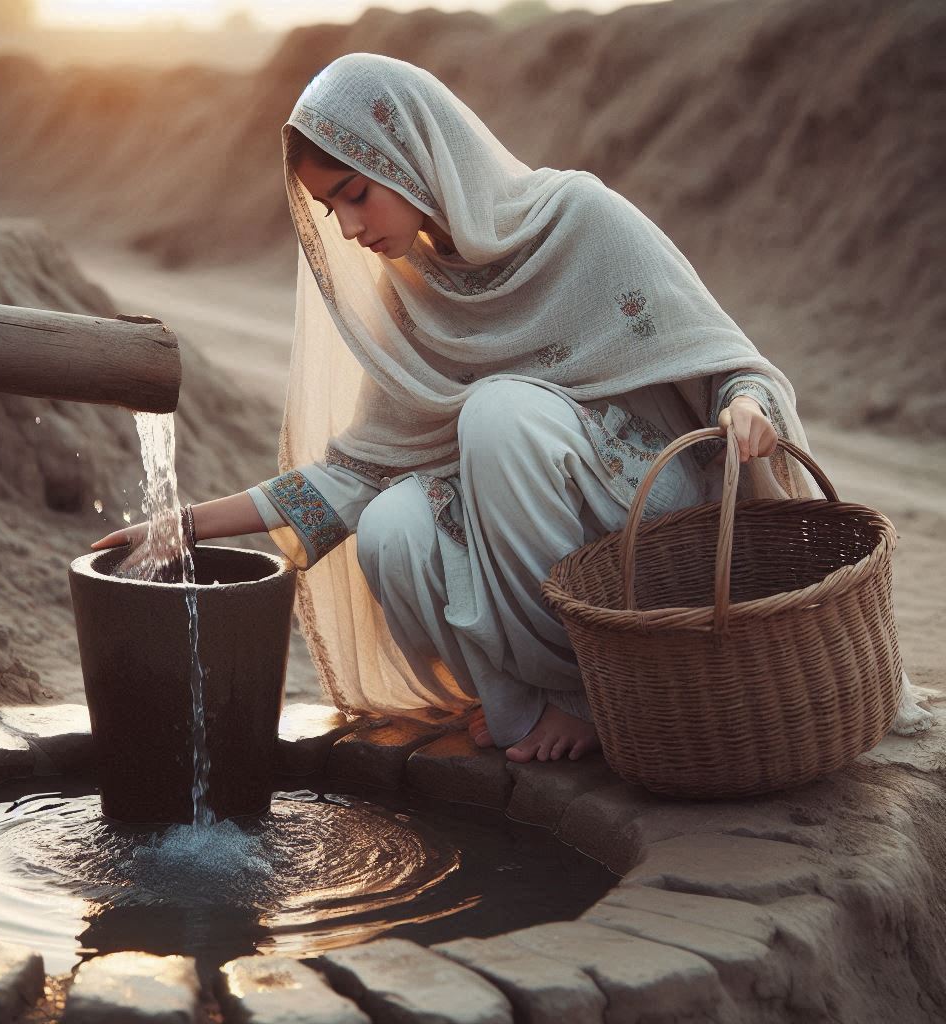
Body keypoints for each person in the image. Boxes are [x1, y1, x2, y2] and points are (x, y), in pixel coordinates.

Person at [92, 53, 933, 762]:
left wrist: (748, 405)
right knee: (390, 527)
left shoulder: (578, 219)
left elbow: (734, 366)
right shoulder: (412, 296)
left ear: (408, 156)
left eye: (355, 193)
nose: (348, 227)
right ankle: (530, 705)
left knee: (496, 414)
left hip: (659, 516)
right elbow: (352, 476)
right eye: (330, 208)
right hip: (536, 533)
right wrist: (182, 527)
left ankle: (596, 698)